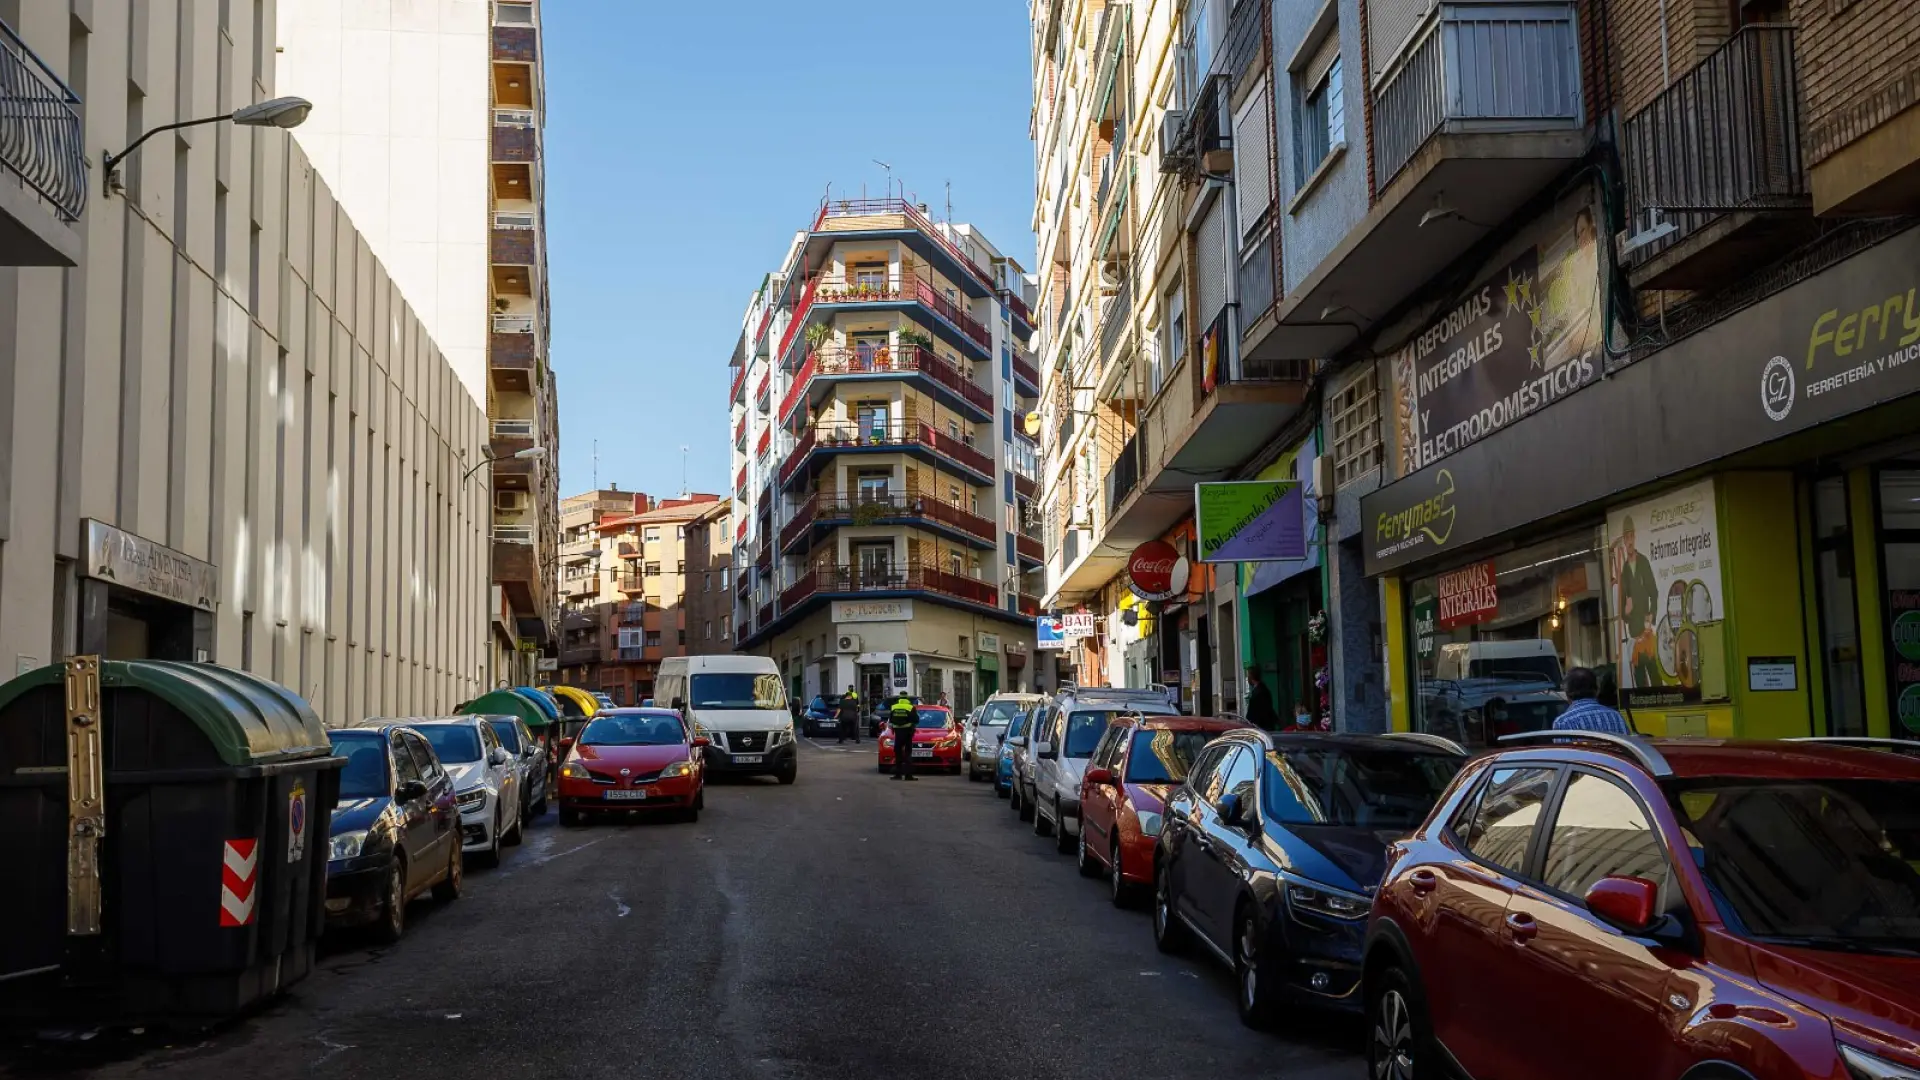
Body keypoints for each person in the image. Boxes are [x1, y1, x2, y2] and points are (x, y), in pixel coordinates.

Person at [1553, 667, 1633, 734]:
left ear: (1567, 693)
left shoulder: (1563, 722)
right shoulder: (1616, 716)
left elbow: (1565, 752)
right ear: (1597, 690)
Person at [888, 693, 919, 781]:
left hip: (898, 733)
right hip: (908, 732)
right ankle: (908, 775)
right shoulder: (910, 707)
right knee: (908, 753)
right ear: (907, 698)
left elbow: (891, 719)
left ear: (899, 698)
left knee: (898, 753)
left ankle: (898, 775)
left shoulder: (894, 707)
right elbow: (916, 720)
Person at [1243, 666, 1279, 731]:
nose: (1247, 678)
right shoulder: (1262, 689)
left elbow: (1257, 712)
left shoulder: (1259, 692)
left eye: (1248, 676)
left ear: (1251, 676)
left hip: (1262, 728)